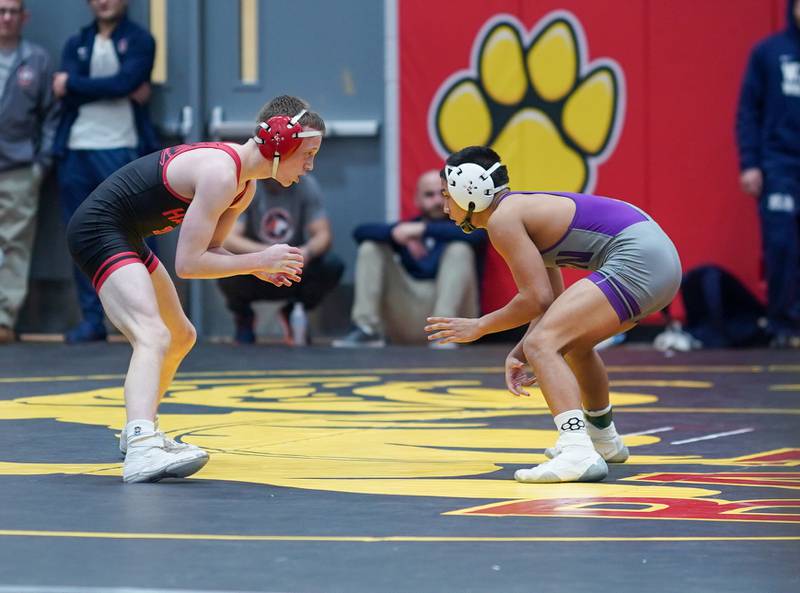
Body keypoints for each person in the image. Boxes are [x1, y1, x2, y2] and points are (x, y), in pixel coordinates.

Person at [66, 95, 324, 482]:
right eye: (307, 153)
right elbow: (188, 265)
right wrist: (257, 261)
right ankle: (140, 446)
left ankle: (141, 431)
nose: (310, 165)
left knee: (182, 336)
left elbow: (211, 252)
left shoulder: (243, 187)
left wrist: (258, 267)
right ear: (279, 143)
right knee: (152, 333)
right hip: (99, 229)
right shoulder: (221, 172)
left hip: (127, 234)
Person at [425, 146, 681, 483]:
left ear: (468, 190)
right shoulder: (517, 211)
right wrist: (519, 352)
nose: (444, 207)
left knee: (545, 345)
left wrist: (479, 327)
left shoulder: (503, 219)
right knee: (568, 343)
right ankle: (603, 440)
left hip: (639, 259)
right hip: (658, 260)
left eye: (447, 196)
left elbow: (535, 300)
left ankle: (576, 451)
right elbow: (548, 304)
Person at [53, 0, 160, 343]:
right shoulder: (77, 41)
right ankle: (92, 320)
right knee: (80, 234)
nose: (103, 2)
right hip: (76, 150)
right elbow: (109, 87)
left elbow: (123, 81)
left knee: (137, 233)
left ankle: (148, 320)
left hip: (122, 149)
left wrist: (74, 84)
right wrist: (115, 87)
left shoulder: (141, 39)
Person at [333, 169, 485, 347]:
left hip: (456, 324)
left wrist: (421, 230)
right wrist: (395, 234)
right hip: (407, 313)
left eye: (443, 194)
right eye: (429, 195)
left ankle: (443, 333)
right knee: (370, 247)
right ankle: (367, 329)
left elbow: (478, 236)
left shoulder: (466, 228)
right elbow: (360, 232)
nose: (437, 201)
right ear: (417, 200)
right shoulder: (406, 230)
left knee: (460, 249)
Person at [735, 0, 800, 349]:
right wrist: (750, 163)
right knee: (782, 246)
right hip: (780, 165)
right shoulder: (769, 53)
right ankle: (784, 325)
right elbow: (748, 110)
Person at [217, 174, 344, 345]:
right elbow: (229, 239)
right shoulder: (247, 186)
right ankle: (243, 316)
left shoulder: (306, 184)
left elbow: (324, 235)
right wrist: (265, 256)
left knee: (331, 264)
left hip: (292, 271)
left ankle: (293, 311)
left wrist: (306, 252)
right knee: (221, 262)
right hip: (255, 271)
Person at [0, 0, 58, 344]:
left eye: (12, 11)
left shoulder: (36, 60)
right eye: (0, 10)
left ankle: (4, 316)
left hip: (20, 167)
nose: (6, 18)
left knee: (14, 244)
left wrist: (42, 163)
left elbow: (51, 116)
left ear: (24, 17)